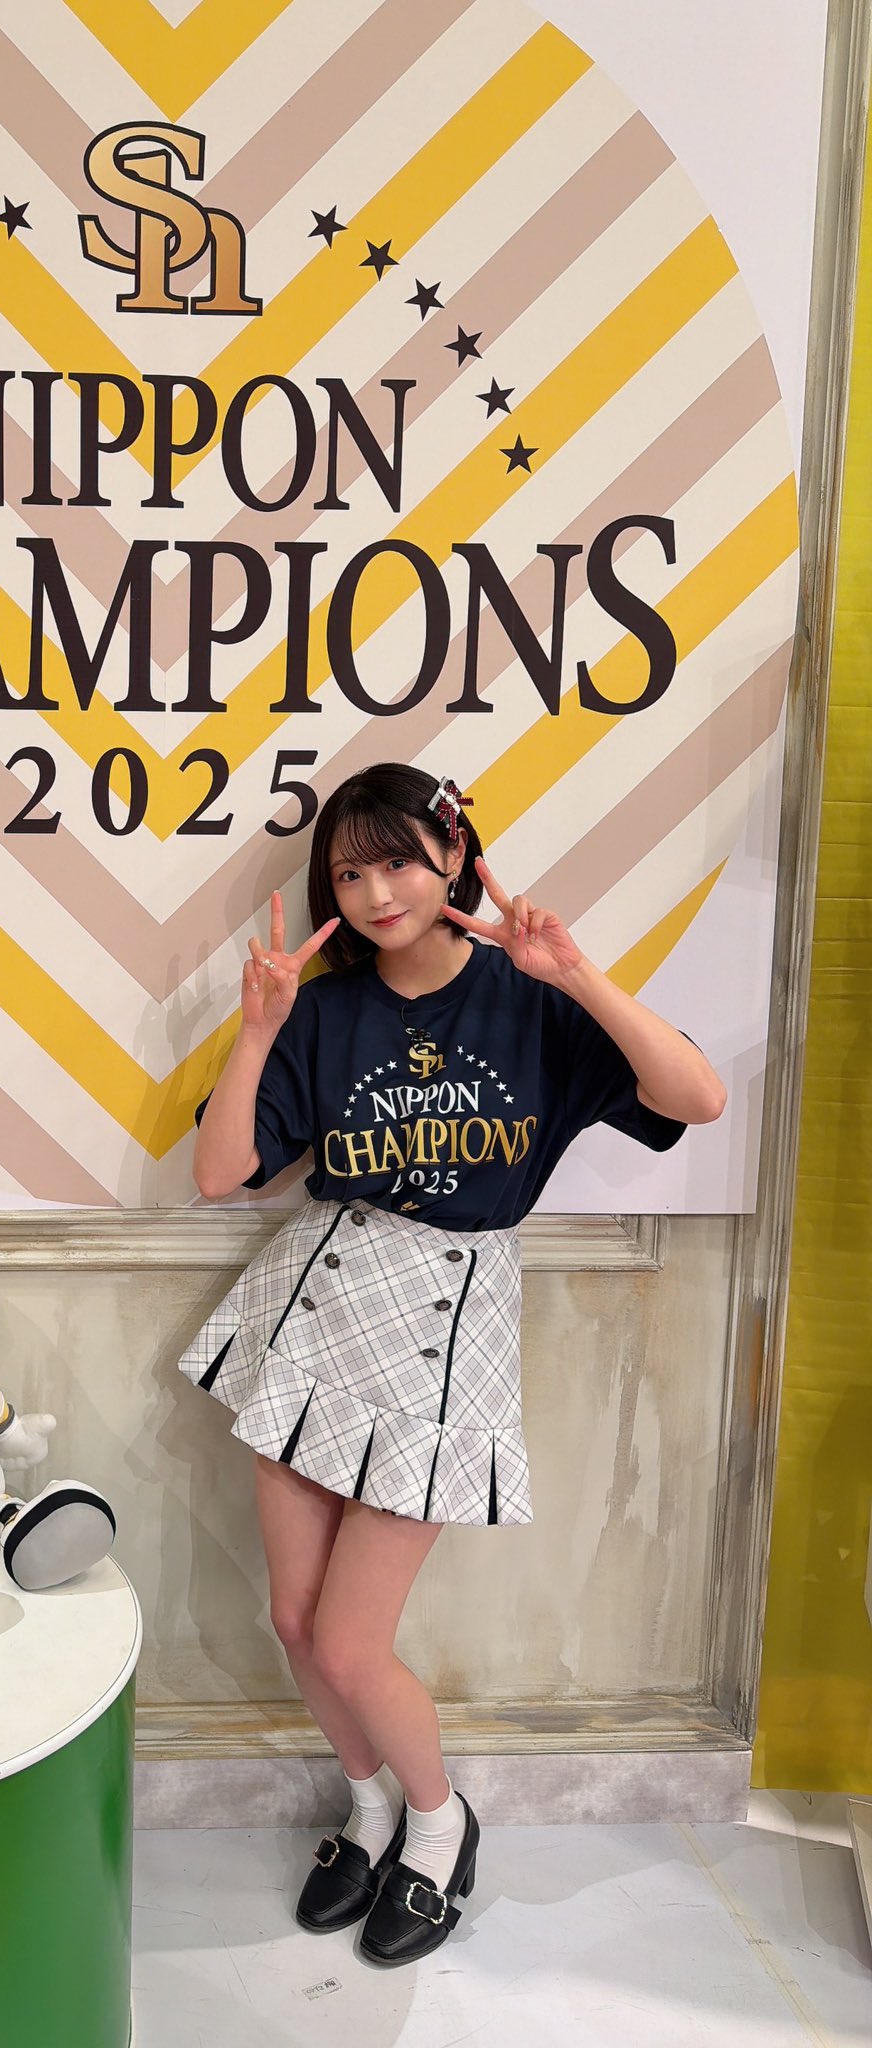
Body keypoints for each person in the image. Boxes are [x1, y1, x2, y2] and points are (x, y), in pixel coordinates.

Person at [182, 761, 725, 1967]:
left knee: (350, 1639)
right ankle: (369, 1806)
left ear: (457, 861)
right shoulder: (324, 1010)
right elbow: (221, 1174)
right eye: (350, 872)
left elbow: (698, 1094)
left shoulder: (530, 996)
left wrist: (573, 971)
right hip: (320, 1300)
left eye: (400, 861)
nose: (378, 892)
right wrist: (259, 1026)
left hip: (445, 1319)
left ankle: (439, 1824)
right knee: (294, 1617)